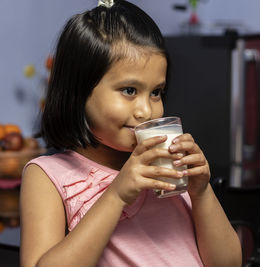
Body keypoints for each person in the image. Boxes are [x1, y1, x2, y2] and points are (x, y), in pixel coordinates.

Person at [20, 1, 242, 266]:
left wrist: (201, 192)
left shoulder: (164, 165)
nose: (146, 110)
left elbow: (228, 263)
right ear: (78, 92)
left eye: (156, 92)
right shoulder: (49, 176)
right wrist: (116, 195)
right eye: (129, 91)